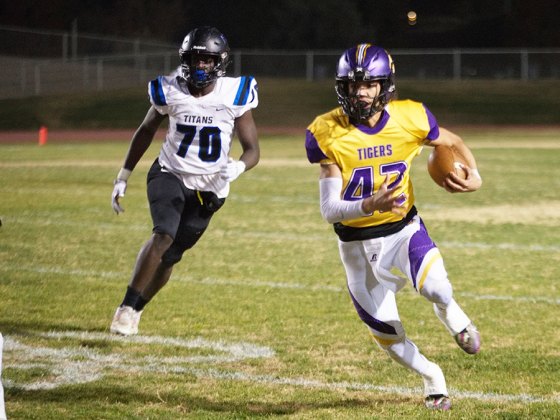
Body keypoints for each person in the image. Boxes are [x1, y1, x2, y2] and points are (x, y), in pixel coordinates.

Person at [305, 44, 482, 410]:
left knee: (437, 288)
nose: (361, 93)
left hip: (403, 230)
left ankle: (454, 316)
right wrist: (370, 204)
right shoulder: (327, 131)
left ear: (385, 85)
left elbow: (452, 141)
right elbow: (329, 210)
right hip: (355, 246)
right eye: (354, 85)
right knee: (386, 334)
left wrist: (475, 177)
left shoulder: (411, 117)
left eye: (369, 84)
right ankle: (433, 376)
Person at [110, 26, 259, 336]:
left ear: (219, 62)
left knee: (171, 258)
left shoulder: (235, 93)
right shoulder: (170, 89)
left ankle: (137, 308)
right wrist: (124, 175)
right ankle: (125, 307)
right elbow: (146, 131)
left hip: (210, 188)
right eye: (194, 59)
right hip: (170, 173)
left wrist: (240, 168)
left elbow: (253, 150)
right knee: (163, 234)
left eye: (206, 60)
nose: (199, 66)